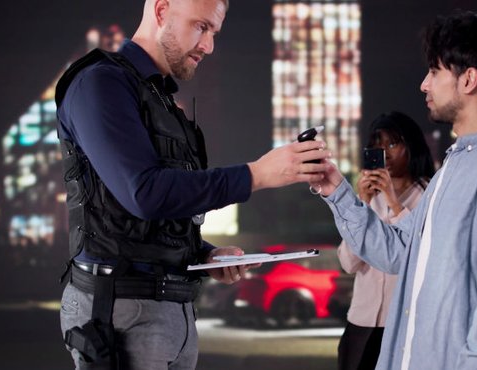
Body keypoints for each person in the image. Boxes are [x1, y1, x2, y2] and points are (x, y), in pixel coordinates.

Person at [54, 0, 330, 369]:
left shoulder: (161, 100)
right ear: (163, 10)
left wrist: (203, 255)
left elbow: (140, 219)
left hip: (171, 307)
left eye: (214, 32)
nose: (208, 46)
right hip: (121, 310)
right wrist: (256, 175)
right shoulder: (100, 83)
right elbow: (144, 193)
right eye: (201, 27)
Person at [310, 10, 477, 370]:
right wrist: (336, 189)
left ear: (468, 80)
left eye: (435, 71)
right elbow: (399, 251)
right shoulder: (451, 171)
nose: (424, 84)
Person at [337, 111, 435, 370]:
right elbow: (348, 262)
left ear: (411, 146)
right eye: (377, 146)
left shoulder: (429, 196)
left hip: (404, 324)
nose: (385, 153)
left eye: (393, 144)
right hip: (361, 322)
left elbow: (416, 255)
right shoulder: (369, 199)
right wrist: (363, 205)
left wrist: (394, 201)